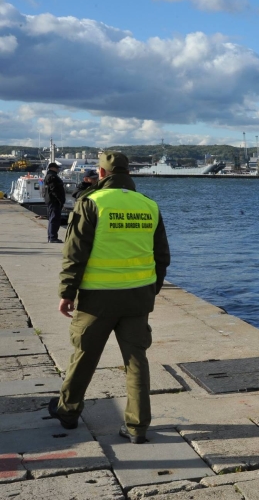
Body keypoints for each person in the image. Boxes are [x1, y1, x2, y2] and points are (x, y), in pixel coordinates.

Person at [48, 151, 170, 445]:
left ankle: (69, 410)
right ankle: (137, 427)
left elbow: (75, 254)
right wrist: (150, 290)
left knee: (85, 355)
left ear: (101, 174)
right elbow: (162, 257)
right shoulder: (149, 206)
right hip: (138, 298)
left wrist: (67, 292)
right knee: (136, 361)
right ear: (129, 173)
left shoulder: (91, 203)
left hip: (97, 299)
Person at [43, 162, 66, 243]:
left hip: (51, 200)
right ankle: (53, 237)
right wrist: (60, 200)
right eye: (56, 168)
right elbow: (54, 190)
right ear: (52, 168)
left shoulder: (49, 176)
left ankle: (51, 237)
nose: (58, 169)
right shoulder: (52, 177)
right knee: (54, 219)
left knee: (52, 219)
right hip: (54, 201)